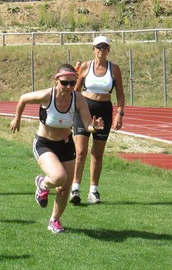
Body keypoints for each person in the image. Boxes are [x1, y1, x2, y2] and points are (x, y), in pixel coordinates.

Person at [10, 64, 104, 233]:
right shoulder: (47, 95)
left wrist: (94, 127)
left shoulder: (78, 99)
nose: (68, 87)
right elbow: (23, 98)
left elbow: (87, 123)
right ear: (56, 81)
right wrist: (17, 118)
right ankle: (42, 183)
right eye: (64, 83)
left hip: (66, 145)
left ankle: (54, 220)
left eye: (72, 83)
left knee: (64, 188)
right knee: (59, 176)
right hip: (45, 143)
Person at [70, 35, 125, 205]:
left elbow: (120, 95)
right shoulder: (86, 67)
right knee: (80, 151)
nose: (101, 50)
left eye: (104, 47)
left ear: (108, 50)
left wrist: (119, 114)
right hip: (85, 109)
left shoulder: (114, 69)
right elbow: (75, 91)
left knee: (98, 153)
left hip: (104, 111)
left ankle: (93, 191)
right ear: (93, 49)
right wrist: (71, 113)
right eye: (98, 47)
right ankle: (75, 188)